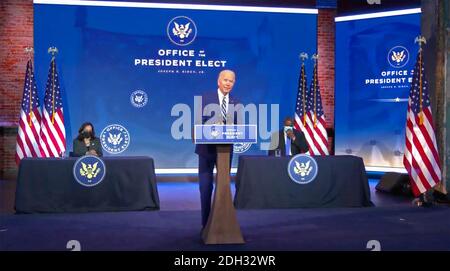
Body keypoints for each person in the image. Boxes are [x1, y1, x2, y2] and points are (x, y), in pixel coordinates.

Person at [194, 69, 241, 229]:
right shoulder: (204, 98)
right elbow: (197, 125)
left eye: (231, 81)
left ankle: (222, 223)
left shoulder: (236, 102)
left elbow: (239, 128)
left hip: (225, 152)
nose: (228, 83)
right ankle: (206, 225)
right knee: (206, 188)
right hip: (206, 151)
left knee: (223, 188)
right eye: (226, 80)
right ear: (218, 81)